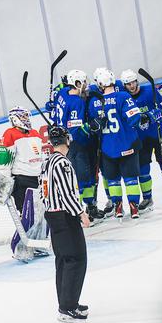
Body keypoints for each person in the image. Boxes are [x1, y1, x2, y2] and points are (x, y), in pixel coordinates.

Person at [40, 125, 91, 323]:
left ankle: (67, 304)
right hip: (65, 216)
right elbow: (67, 192)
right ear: (67, 140)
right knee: (76, 259)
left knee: (63, 261)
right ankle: (68, 308)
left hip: (53, 216)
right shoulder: (63, 163)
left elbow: (43, 192)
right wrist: (81, 213)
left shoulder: (46, 163)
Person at [120, 69, 162, 211]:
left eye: (134, 82)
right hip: (141, 139)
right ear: (124, 85)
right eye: (128, 84)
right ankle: (147, 198)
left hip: (159, 135)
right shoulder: (124, 99)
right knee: (142, 170)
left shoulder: (150, 91)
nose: (132, 86)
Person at [87, 68, 142, 219]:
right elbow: (135, 118)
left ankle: (118, 206)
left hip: (107, 148)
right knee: (131, 179)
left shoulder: (94, 102)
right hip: (127, 144)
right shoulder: (123, 96)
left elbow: (93, 126)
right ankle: (134, 206)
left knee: (113, 180)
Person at [53, 69, 104, 222]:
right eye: (83, 82)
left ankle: (90, 207)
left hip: (66, 144)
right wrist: (92, 125)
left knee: (85, 178)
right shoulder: (77, 102)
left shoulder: (62, 93)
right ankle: (80, 213)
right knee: (83, 179)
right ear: (76, 83)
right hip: (77, 144)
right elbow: (76, 129)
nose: (86, 85)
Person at [0, 106, 46, 213]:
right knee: (26, 212)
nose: (26, 119)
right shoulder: (10, 134)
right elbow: (3, 161)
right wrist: (4, 183)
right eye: (23, 116)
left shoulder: (35, 133)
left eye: (27, 116)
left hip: (39, 179)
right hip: (22, 180)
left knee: (41, 210)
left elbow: (39, 156)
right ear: (15, 119)